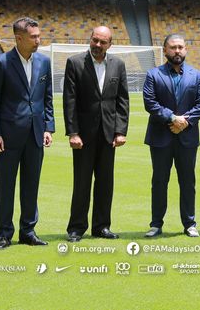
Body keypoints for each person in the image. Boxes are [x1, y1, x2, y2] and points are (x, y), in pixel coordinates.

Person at [0, 17, 55, 249]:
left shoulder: (44, 62)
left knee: (31, 184)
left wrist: (48, 127)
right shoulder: (2, 63)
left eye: (38, 35)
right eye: (34, 37)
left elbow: (47, 99)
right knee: (6, 185)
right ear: (19, 38)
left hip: (35, 133)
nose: (38, 40)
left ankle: (28, 230)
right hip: (8, 136)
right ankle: (5, 233)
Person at [63, 26, 129, 242]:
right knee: (81, 182)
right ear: (90, 40)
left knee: (105, 183)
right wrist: (73, 132)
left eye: (102, 42)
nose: (97, 45)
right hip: (83, 135)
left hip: (109, 134)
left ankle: (102, 226)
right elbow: (69, 100)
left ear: (110, 44)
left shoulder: (118, 65)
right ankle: (76, 228)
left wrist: (120, 130)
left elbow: (122, 100)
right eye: (95, 40)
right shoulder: (74, 63)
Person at [143, 34, 200, 238]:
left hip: (187, 137)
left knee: (188, 181)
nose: (177, 51)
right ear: (165, 50)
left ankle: (189, 223)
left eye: (180, 47)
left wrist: (184, 122)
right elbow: (150, 103)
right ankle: (156, 224)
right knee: (159, 181)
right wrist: (172, 118)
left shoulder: (197, 76)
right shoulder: (153, 75)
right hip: (160, 137)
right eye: (173, 47)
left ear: (186, 49)